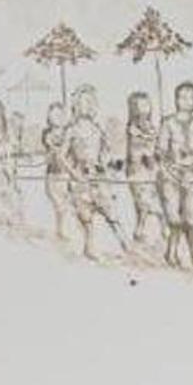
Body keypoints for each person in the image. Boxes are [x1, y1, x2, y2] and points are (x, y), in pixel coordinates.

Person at [62, 85, 131, 260]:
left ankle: (125, 244)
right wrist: (74, 174)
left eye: (89, 102)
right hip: (81, 178)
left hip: (99, 177)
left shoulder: (97, 129)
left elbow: (105, 153)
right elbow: (62, 156)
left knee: (110, 212)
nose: (86, 106)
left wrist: (112, 165)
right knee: (86, 217)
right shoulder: (71, 130)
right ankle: (90, 248)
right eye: (82, 102)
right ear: (75, 105)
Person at [157, 80, 193, 267]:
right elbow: (161, 152)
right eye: (184, 97)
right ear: (177, 100)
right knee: (174, 218)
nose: (188, 101)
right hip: (170, 176)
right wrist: (170, 170)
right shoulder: (168, 123)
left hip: (190, 175)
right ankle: (171, 253)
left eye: (192, 98)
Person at [124, 91, 164, 256]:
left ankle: (142, 230)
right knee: (144, 203)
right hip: (137, 171)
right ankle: (148, 229)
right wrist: (149, 147)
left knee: (153, 201)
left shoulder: (151, 127)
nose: (145, 108)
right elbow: (138, 149)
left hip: (151, 171)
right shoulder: (133, 128)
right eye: (141, 105)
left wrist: (157, 150)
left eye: (147, 104)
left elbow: (155, 147)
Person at [39, 102, 75, 243]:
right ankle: (60, 231)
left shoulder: (68, 132)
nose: (57, 117)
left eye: (60, 114)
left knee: (66, 204)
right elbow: (56, 151)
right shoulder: (47, 134)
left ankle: (63, 230)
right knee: (59, 205)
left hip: (65, 175)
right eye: (54, 114)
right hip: (53, 174)